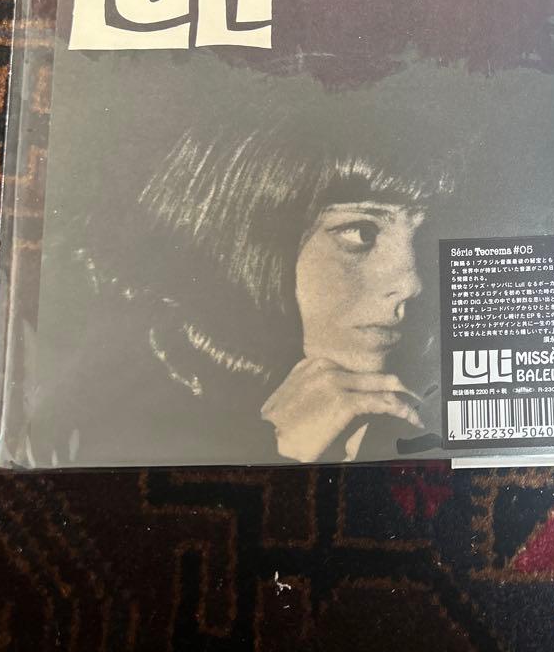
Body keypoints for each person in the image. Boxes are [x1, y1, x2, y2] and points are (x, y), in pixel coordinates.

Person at [32, 101, 451, 466]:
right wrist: (277, 451)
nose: (412, 283)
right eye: (362, 233)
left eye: (420, 234)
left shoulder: (406, 420)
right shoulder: (103, 422)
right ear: (249, 244)